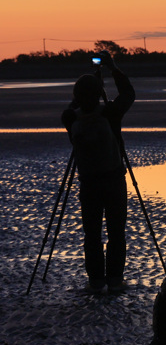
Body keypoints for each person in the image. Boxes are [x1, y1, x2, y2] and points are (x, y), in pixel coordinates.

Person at [61, 51, 135, 295]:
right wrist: (113, 69)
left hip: (89, 183)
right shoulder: (110, 114)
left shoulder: (70, 118)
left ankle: (95, 281)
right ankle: (115, 280)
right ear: (98, 93)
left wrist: (85, 94)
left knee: (91, 234)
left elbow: (73, 107)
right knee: (116, 232)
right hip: (113, 180)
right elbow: (129, 95)